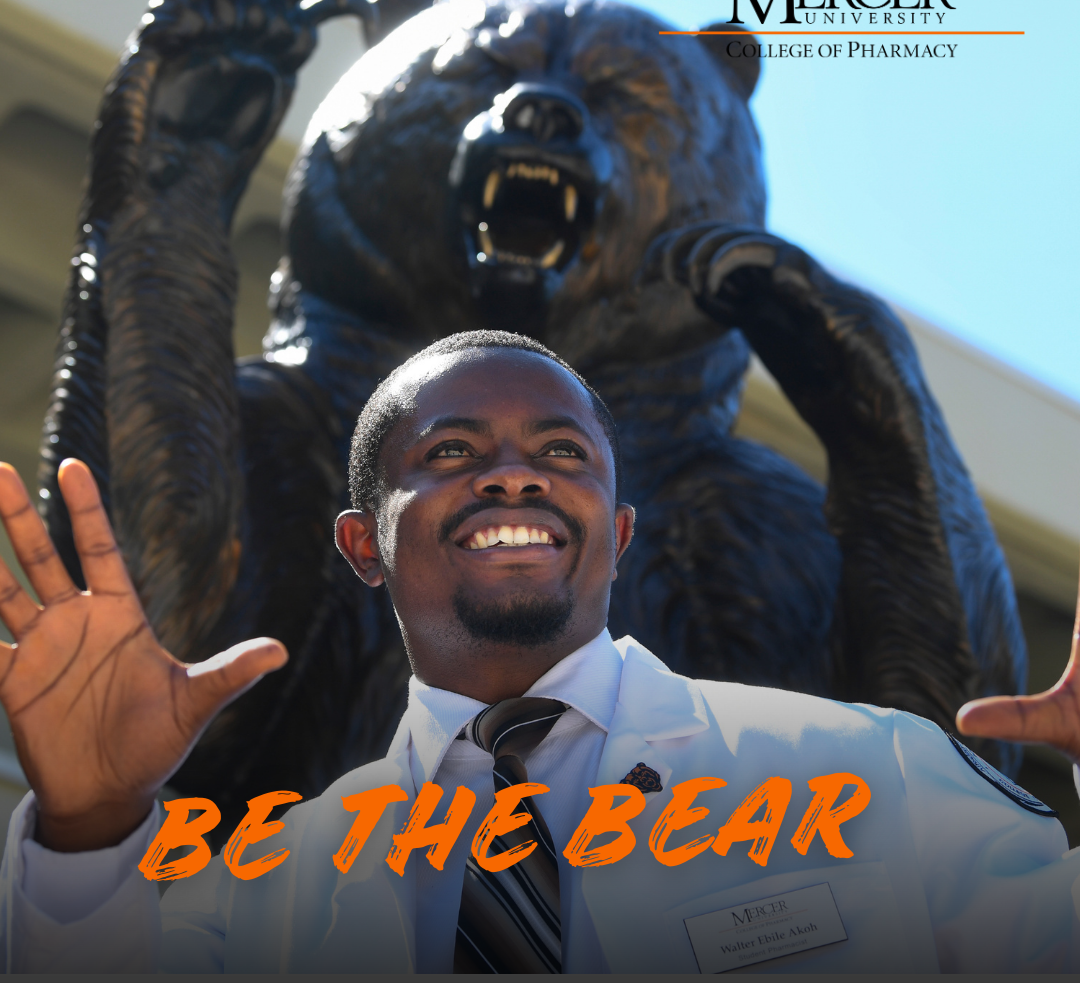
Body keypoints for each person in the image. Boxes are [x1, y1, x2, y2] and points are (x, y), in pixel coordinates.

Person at [0, 329, 1078, 973]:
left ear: (614, 534)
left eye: (562, 452)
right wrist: (88, 833)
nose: (514, 476)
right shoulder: (263, 891)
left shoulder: (874, 771)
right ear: (361, 546)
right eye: (453, 451)